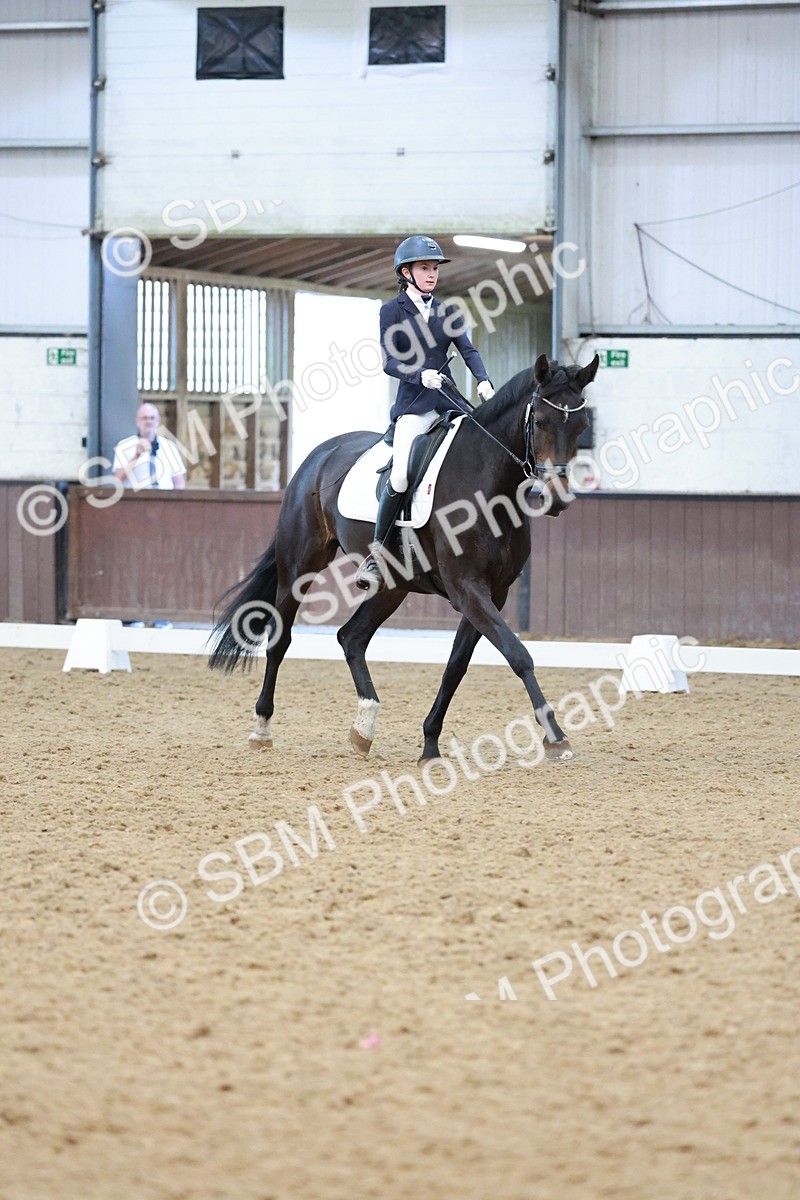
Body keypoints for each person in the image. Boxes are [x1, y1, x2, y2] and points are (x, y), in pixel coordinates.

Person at [355, 235, 494, 591]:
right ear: (406, 272)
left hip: (449, 402)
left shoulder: (448, 311)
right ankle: (377, 553)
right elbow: (389, 362)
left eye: (434, 269)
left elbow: (468, 350)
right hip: (414, 406)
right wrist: (420, 375)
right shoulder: (392, 311)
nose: (431, 274)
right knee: (400, 476)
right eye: (424, 268)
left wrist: (483, 381)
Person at [112, 403, 187, 490]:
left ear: (158, 421)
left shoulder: (169, 446)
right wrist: (136, 456)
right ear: (137, 421)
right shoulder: (124, 446)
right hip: (136, 499)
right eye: (145, 418)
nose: (149, 422)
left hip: (165, 500)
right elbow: (118, 479)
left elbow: (179, 481)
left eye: (152, 418)